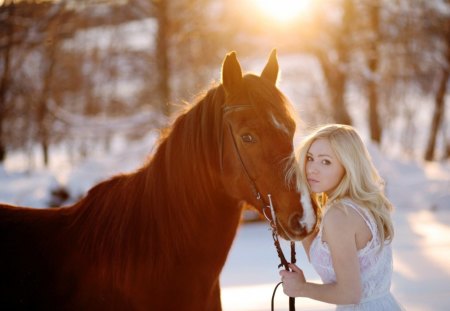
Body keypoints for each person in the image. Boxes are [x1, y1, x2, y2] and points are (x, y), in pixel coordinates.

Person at [280, 124, 403, 310]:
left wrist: (302, 288)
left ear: (348, 166)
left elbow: (349, 293)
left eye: (326, 162)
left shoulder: (340, 215)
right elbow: (315, 249)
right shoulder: (356, 206)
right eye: (310, 158)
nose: (312, 169)